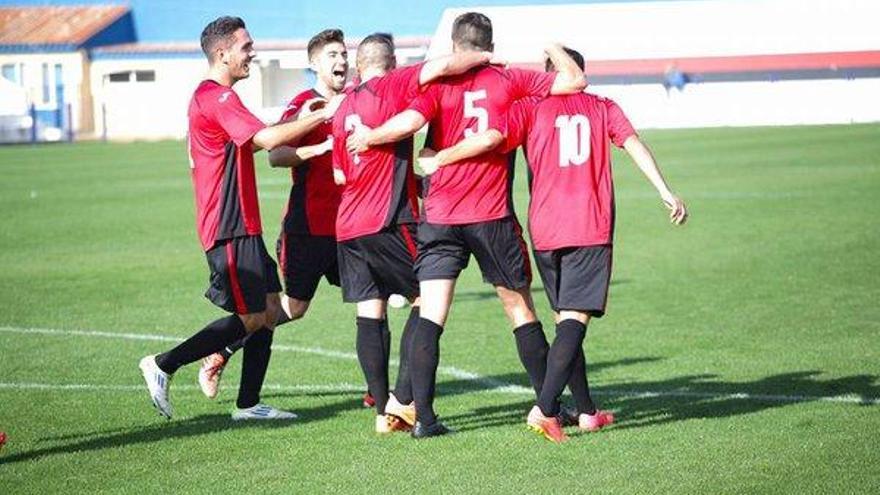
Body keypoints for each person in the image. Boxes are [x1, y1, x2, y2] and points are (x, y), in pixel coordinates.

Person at [419, 47, 688, 442]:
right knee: (573, 324)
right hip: (588, 225)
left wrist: (440, 157)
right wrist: (665, 190)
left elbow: (491, 137)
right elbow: (633, 144)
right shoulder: (601, 106)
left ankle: (586, 411)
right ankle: (545, 409)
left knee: (567, 320)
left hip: (544, 230)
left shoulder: (529, 108)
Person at [346, 12, 587, 438]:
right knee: (519, 309)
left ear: (456, 47)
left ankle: (424, 418)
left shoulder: (438, 85)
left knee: (431, 315)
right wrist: (549, 44)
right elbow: (572, 80)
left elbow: (413, 122)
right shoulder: (509, 78)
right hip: (491, 215)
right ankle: (550, 404)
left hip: (440, 217)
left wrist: (372, 136)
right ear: (489, 44)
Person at [138, 16, 338, 421]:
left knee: (266, 310)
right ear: (222, 53)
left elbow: (262, 134)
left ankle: (248, 404)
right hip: (227, 225)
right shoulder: (217, 98)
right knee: (250, 316)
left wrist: (309, 115)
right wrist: (323, 115)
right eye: (246, 47)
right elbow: (266, 141)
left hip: (244, 224)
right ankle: (163, 364)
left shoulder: (221, 98)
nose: (253, 53)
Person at [332, 33, 499, 433]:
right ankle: (406, 403)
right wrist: (489, 56)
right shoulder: (394, 83)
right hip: (387, 217)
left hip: (348, 224)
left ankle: (382, 414)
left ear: (358, 66)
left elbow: (339, 172)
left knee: (368, 310)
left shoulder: (342, 108)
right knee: (429, 295)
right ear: (391, 64)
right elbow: (442, 65)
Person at [196, 29, 351, 401]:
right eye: (332, 54)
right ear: (314, 63)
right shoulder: (302, 103)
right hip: (309, 225)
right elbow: (274, 152)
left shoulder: (356, 101)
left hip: (352, 223)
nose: (341, 61)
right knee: (290, 308)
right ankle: (219, 353)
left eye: (344, 53)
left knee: (380, 294)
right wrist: (321, 145)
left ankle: (383, 396)